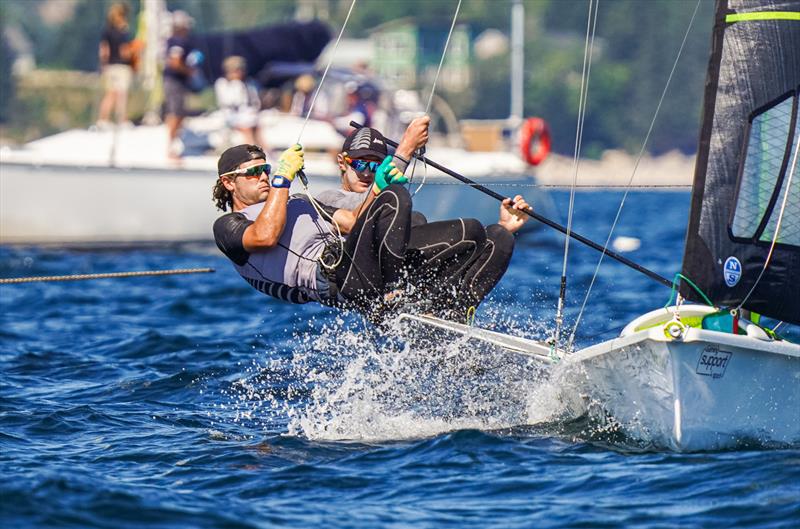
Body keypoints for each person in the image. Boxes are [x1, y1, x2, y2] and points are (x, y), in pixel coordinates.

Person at [212, 116, 529, 322]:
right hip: (339, 279)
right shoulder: (228, 227)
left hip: (364, 264)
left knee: (482, 233)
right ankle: (393, 295)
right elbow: (265, 235)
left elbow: (353, 220)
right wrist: (283, 178)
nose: (263, 177)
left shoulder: (298, 201)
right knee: (396, 196)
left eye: (265, 170)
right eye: (253, 173)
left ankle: (455, 313)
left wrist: (379, 184)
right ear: (229, 183)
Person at [163, 10, 197, 159]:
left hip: (177, 82)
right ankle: (170, 147)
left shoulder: (174, 40)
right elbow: (175, 62)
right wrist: (189, 71)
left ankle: (172, 144)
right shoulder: (178, 41)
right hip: (175, 81)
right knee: (176, 113)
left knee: (179, 113)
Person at [97, 2, 134, 128]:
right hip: (122, 66)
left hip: (110, 66)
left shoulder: (106, 31)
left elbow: (104, 51)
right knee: (122, 94)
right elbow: (125, 52)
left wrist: (103, 65)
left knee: (110, 93)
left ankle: (103, 119)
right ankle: (122, 120)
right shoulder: (123, 32)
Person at [215, 56, 262, 147]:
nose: (240, 73)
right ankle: (250, 149)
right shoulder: (222, 83)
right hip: (231, 115)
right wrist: (237, 85)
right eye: (236, 70)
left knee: (257, 126)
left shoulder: (249, 83)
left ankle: (266, 151)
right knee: (247, 127)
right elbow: (229, 103)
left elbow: (255, 102)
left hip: (247, 114)